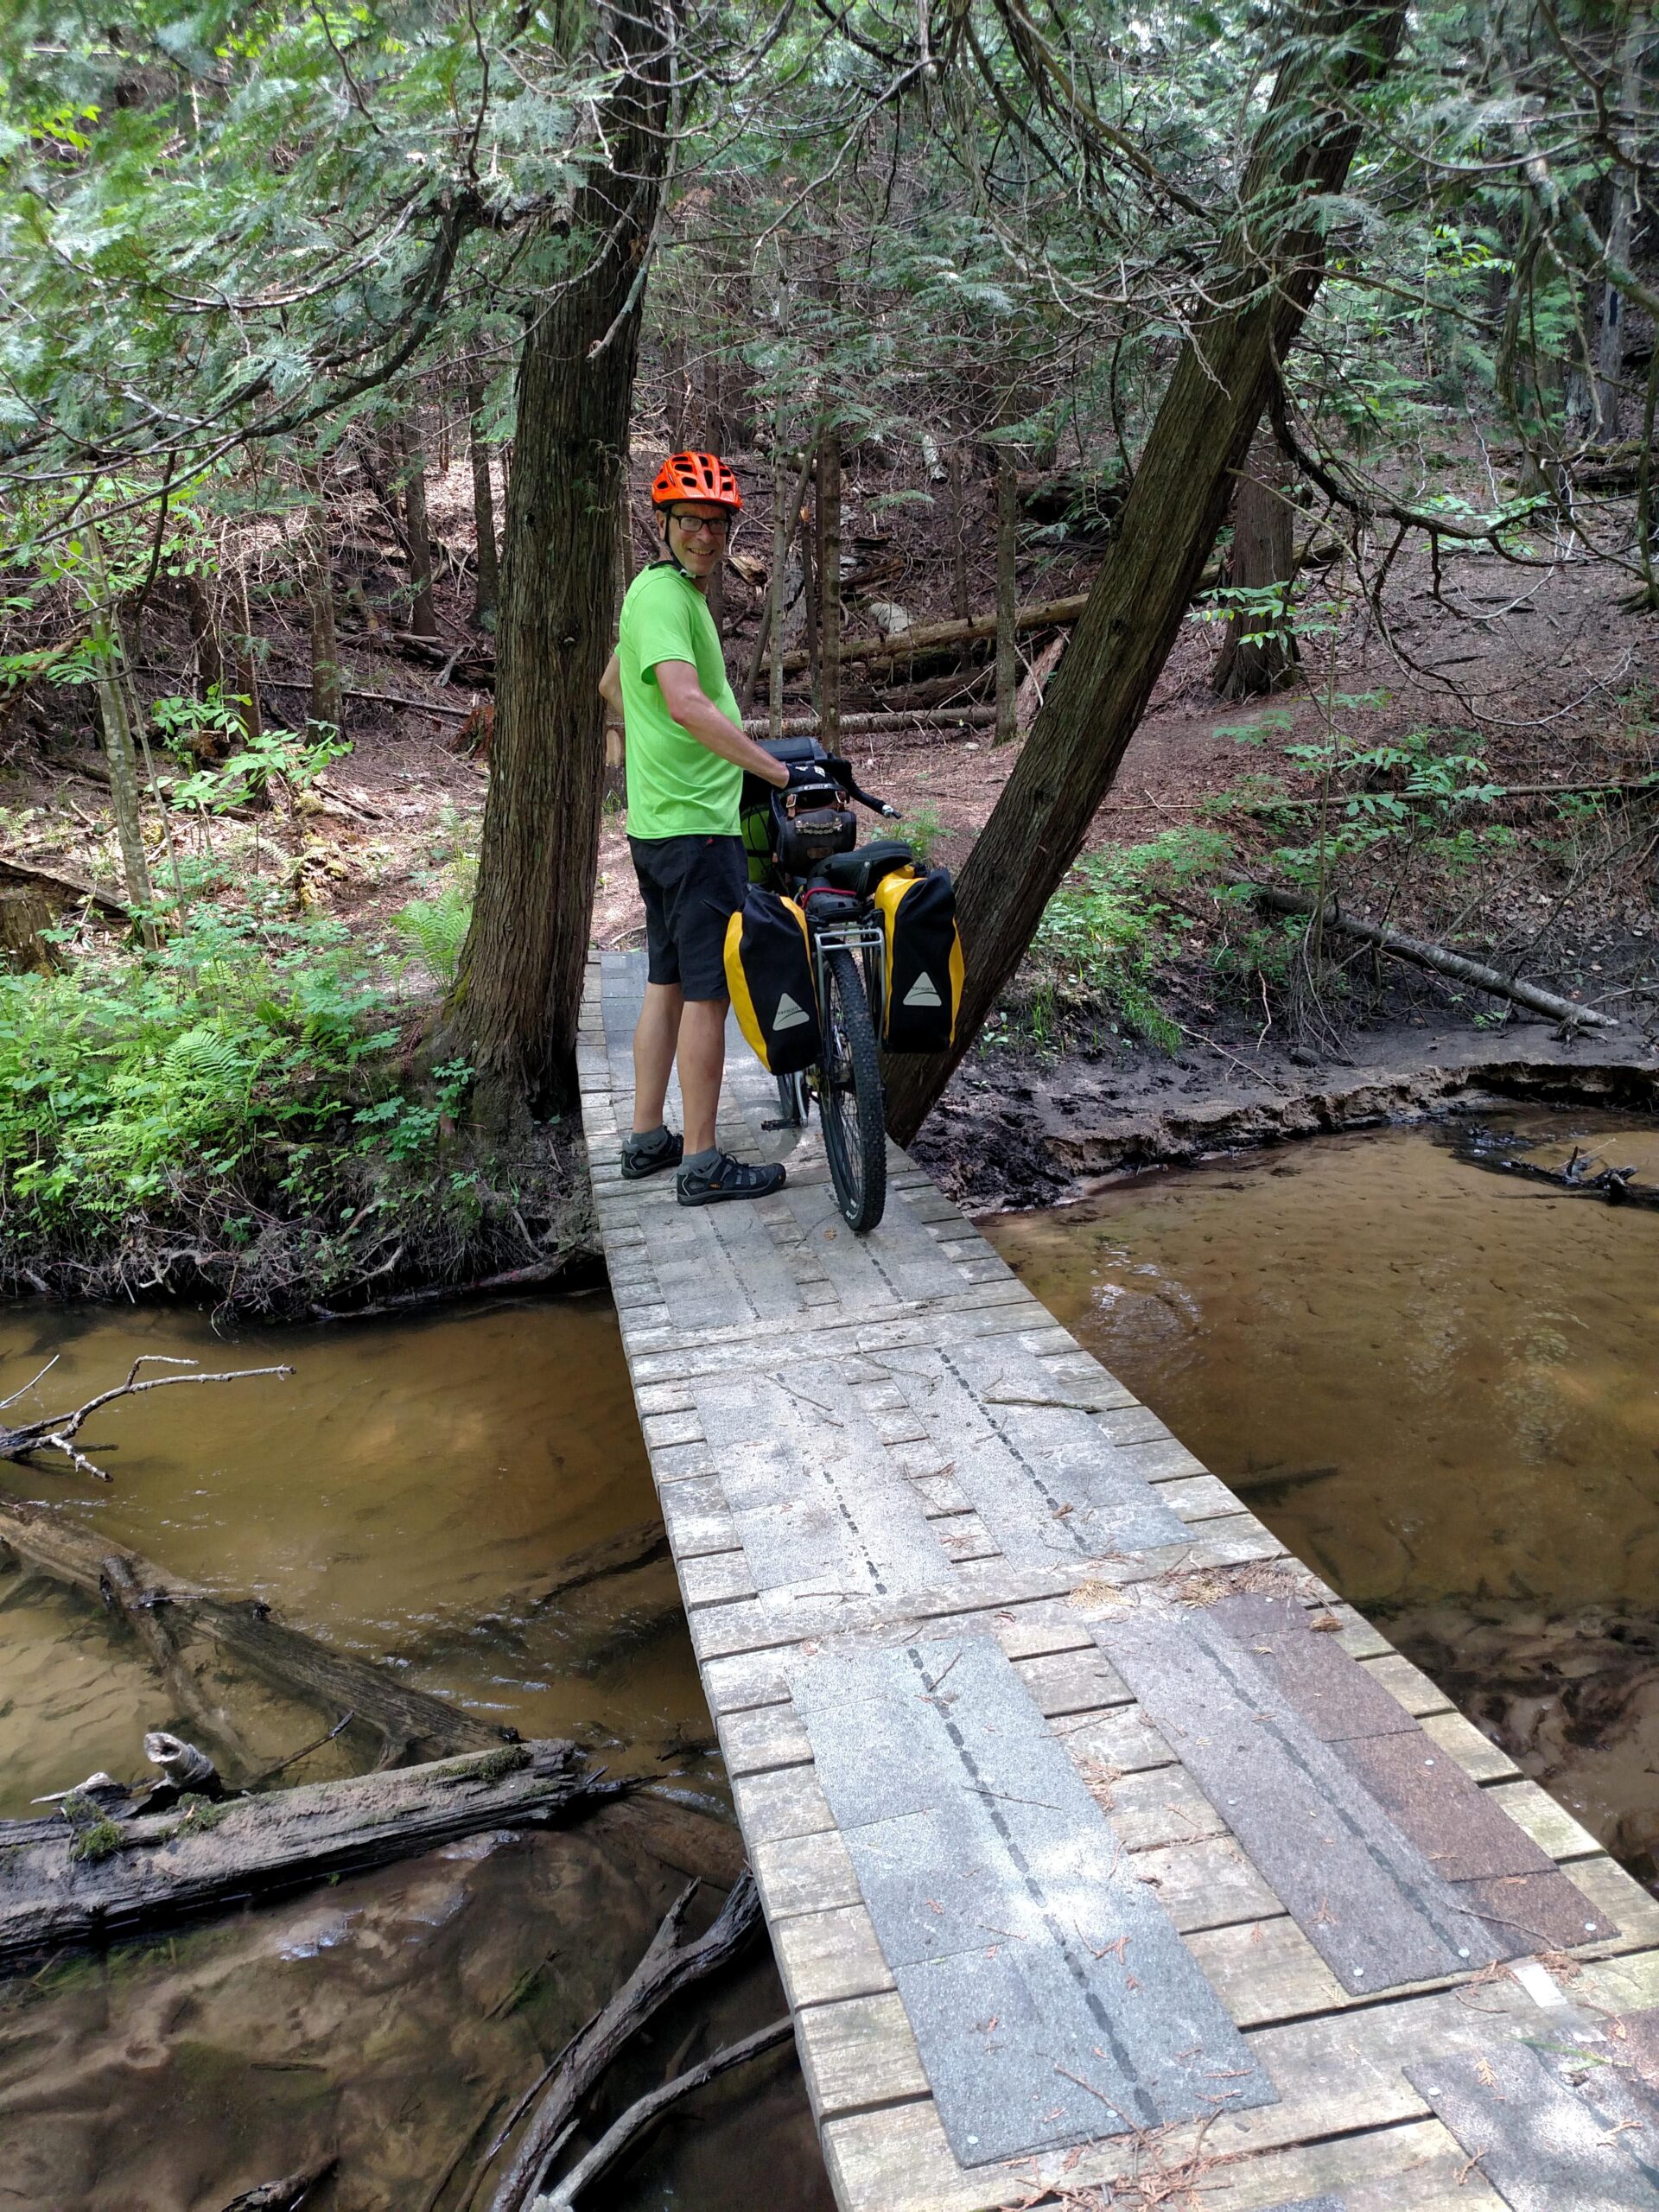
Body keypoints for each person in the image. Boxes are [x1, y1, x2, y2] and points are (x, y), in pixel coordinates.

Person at [599, 451, 807, 1205]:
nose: (706, 536)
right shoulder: (665, 599)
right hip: (695, 833)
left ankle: (647, 1136)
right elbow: (687, 703)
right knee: (706, 997)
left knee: (666, 981)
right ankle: (702, 1159)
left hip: (660, 826)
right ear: (662, 524)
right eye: (691, 521)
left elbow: (612, 684)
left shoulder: (657, 597)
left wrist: (634, 740)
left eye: (718, 525)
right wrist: (775, 771)